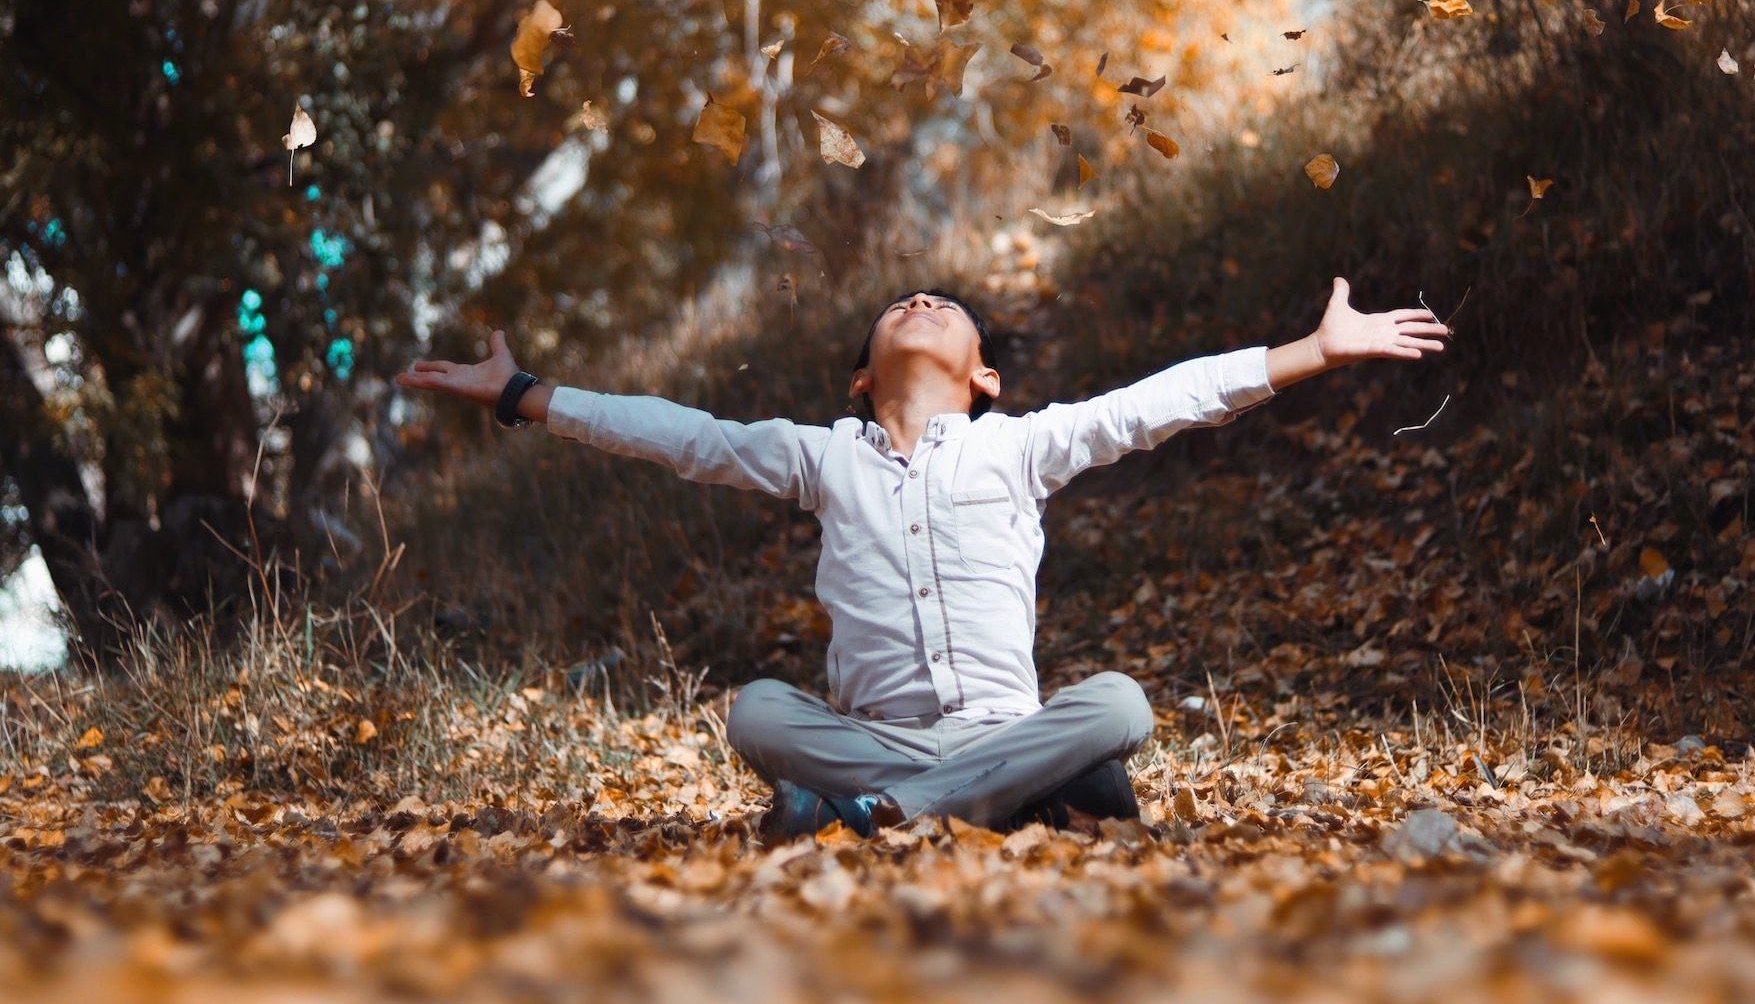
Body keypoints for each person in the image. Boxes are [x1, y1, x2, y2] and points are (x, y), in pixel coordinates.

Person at [395, 279, 1449, 841]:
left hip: (1009, 730)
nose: (920, 302)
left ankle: (900, 807)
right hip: (872, 734)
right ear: (861, 377)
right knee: (756, 708)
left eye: (946, 307)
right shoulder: (820, 454)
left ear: (983, 372)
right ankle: (982, 799)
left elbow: (1159, 402)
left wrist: (1314, 350)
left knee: (1120, 703)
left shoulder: (1020, 442)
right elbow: (682, 433)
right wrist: (526, 394)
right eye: (900, 304)